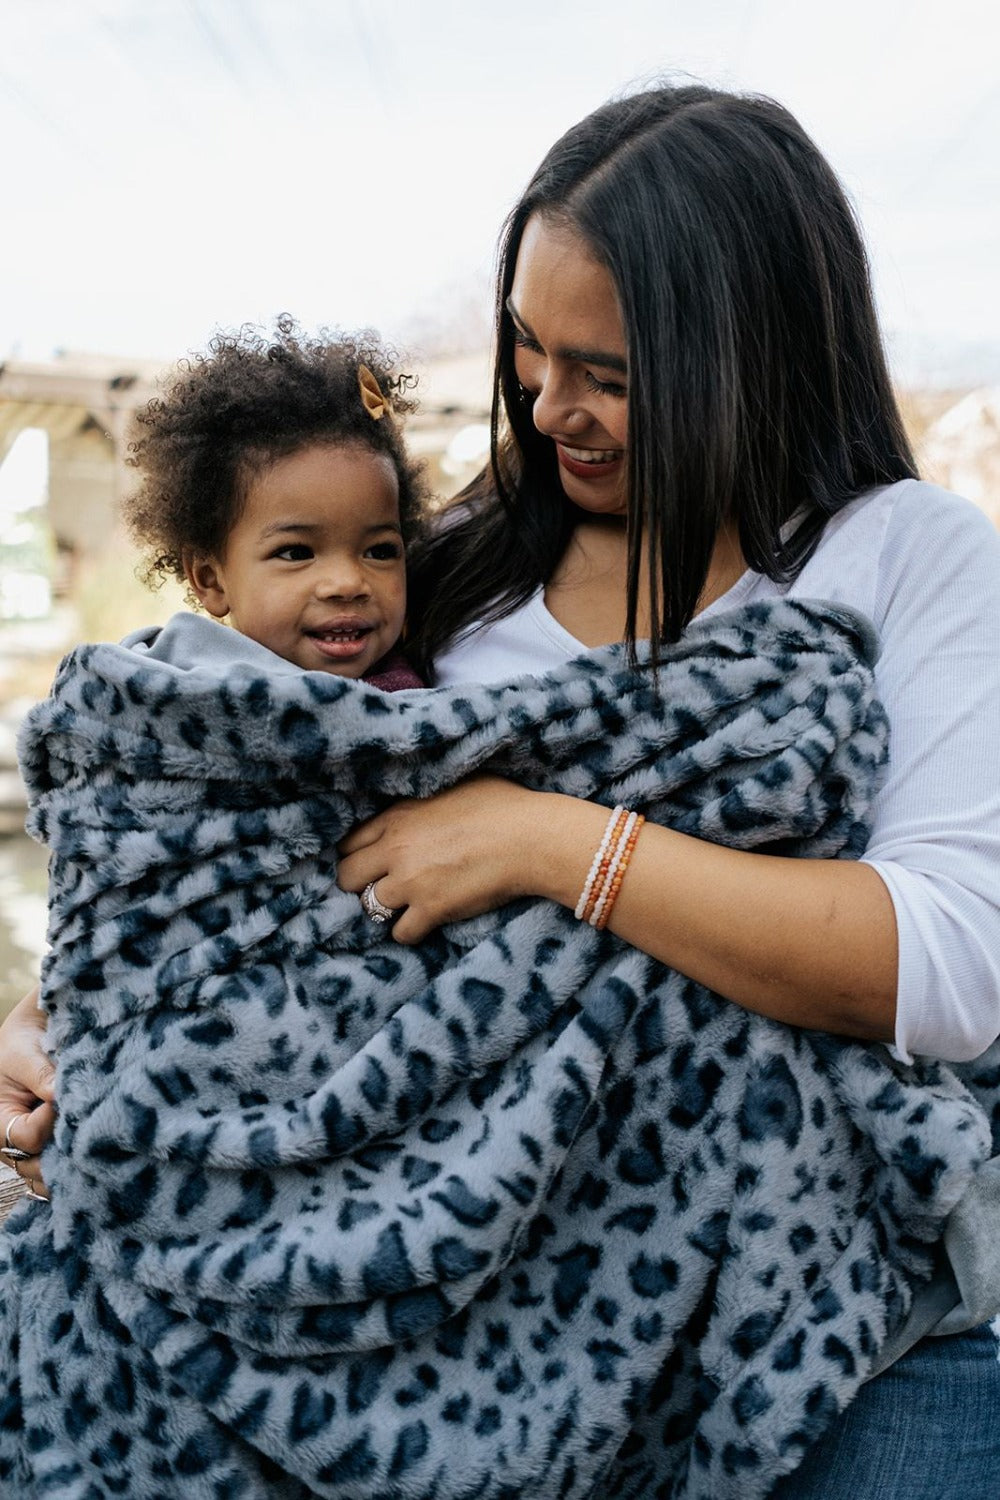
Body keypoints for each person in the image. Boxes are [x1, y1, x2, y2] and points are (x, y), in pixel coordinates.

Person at [2, 83, 1000, 1499]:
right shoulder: (454, 568)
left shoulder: (904, 557)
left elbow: (946, 964)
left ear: (748, 344)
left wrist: (548, 842)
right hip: (482, 1330)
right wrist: (63, 1023)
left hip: (842, 1342)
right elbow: (264, 835)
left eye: (605, 369)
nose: (547, 406)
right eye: (526, 352)